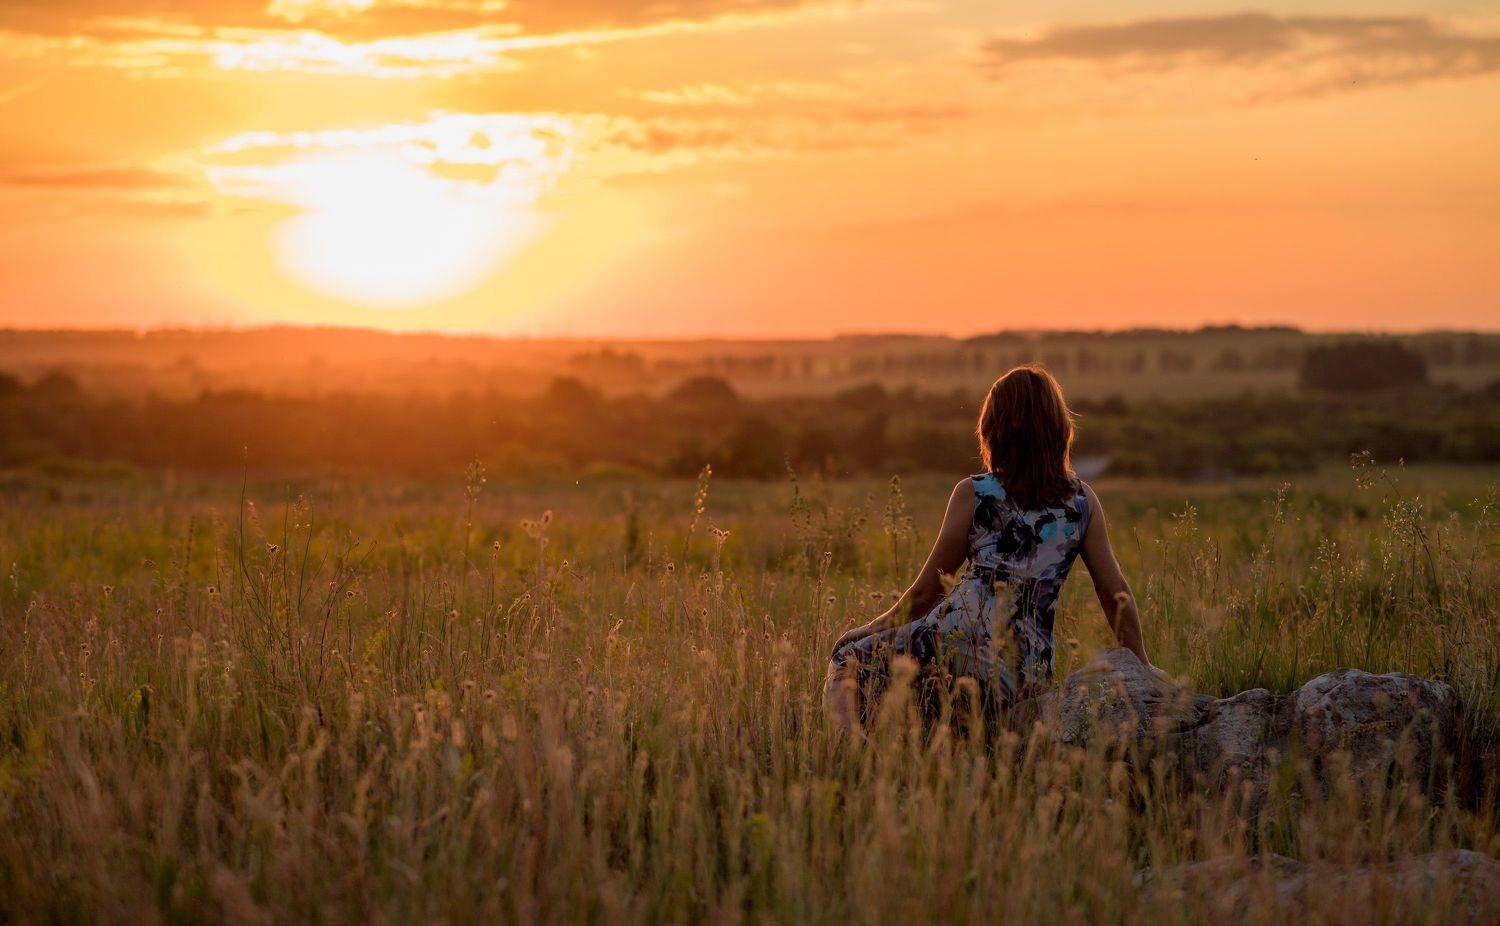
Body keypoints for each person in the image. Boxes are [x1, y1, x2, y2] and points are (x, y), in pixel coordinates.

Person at [823, 365, 1160, 734]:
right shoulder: (1081, 502)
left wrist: (868, 629)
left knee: (849, 660)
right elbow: (1116, 594)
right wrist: (1139, 662)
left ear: (994, 429)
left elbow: (925, 595)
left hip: (956, 644)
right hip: (1026, 669)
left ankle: (850, 755)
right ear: (1058, 430)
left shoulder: (975, 492)